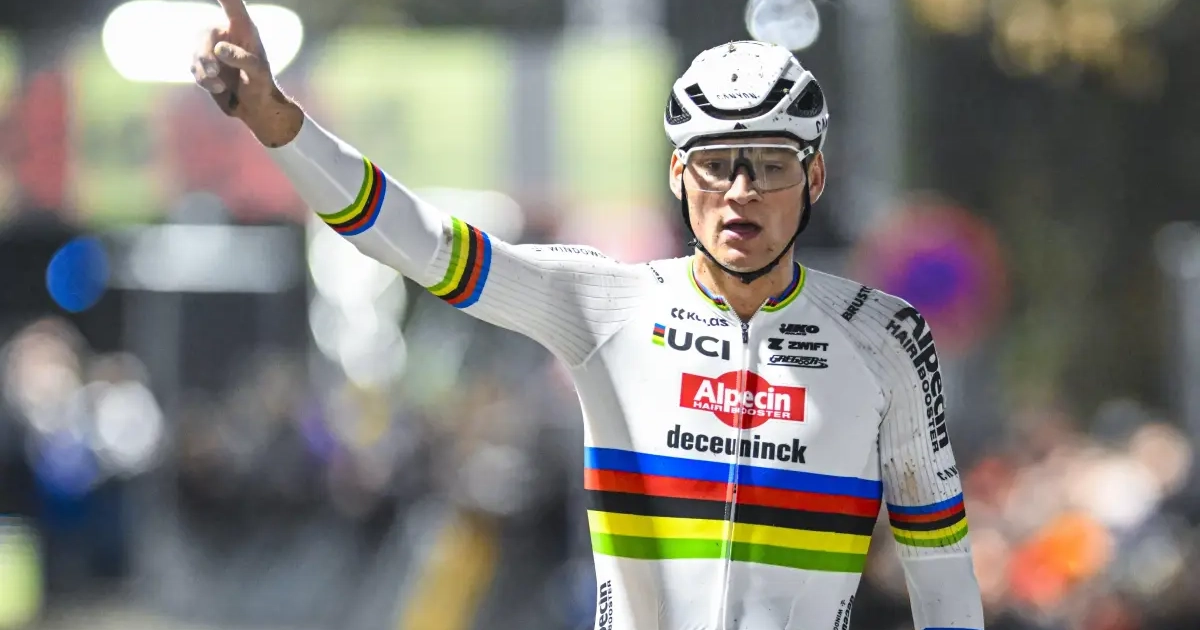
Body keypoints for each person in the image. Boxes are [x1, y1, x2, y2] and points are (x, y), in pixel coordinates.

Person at [191, 1, 985, 628]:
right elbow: (416, 240)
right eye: (715, 164)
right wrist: (278, 122)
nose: (741, 193)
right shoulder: (603, 304)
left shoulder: (884, 339)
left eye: (771, 166)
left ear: (814, 179)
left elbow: (941, 570)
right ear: (678, 175)